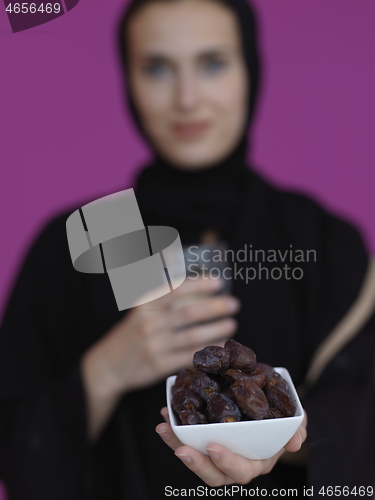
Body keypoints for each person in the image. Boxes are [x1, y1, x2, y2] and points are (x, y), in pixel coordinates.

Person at [0, 0, 374, 499]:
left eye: (213, 62)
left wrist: (279, 440)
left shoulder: (321, 241)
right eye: (157, 67)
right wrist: (107, 369)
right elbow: (15, 445)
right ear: (128, 80)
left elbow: (361, 419)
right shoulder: (85, 236)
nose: (187, 97)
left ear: (250, 69)